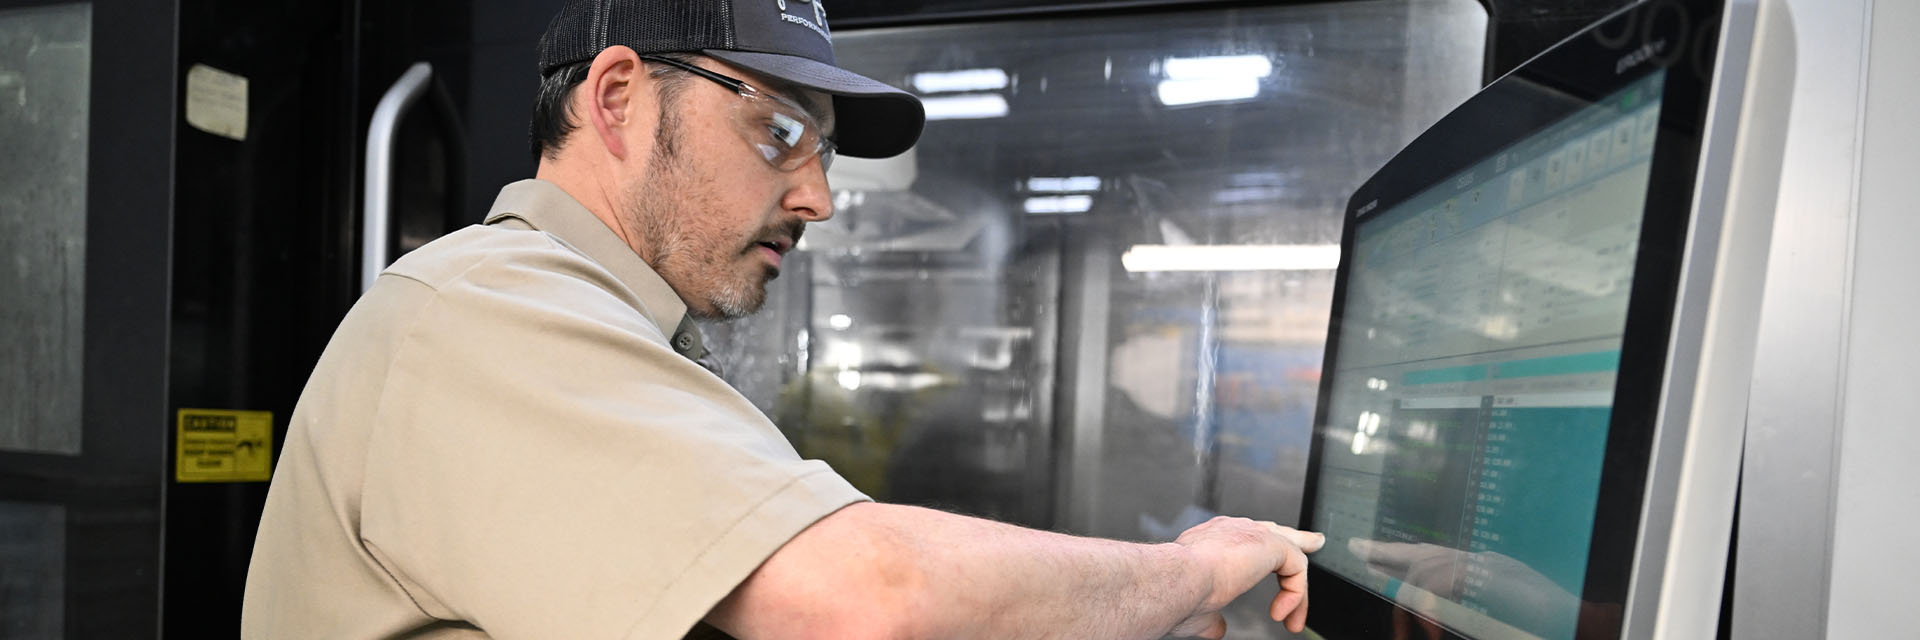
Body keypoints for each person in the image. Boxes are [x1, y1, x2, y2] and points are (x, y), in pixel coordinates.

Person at [241, 1, 1324, 638]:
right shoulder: (480, 309)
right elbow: (864, 598)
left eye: (826, 152)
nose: (818, 197)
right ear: (617, 99)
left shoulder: (614, 332)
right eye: (777, 134)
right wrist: (1191, 569)